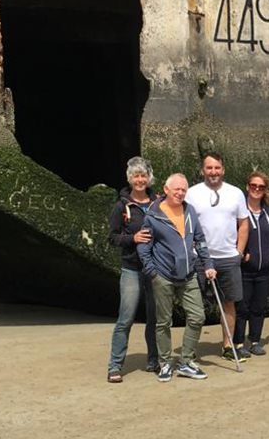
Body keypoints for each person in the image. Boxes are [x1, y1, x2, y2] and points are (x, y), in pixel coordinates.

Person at [138, 173, 216, 382]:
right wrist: (152, 272)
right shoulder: (153, 216)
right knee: (163, 322)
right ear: (166, 189)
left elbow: (199, 240)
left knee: (197, 316)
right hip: (163, 276)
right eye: (177, 189)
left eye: (184, 190)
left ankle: (185, 361)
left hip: (189, 274)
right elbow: (144, 247)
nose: (181, 193)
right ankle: (164, 363)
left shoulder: (189, 211)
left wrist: (208, 264)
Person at [185, 152, 250, 363]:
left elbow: (243, 224)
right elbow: (184, 224)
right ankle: (190, 349)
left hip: (229, 258)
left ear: (223, 169)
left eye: (217, 168)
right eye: (209, 168)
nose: (213, 172)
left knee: (229, 303)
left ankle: (227, 346)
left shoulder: (236, 193)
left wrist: (238, 252)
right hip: (200, 259)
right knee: (194, 305)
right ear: (202, 170)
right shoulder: (192, 194)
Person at [105, 156, 159, 383]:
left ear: (149, 178)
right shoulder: (122, 206)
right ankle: (115, 365)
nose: (140, 180)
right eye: (136, 176)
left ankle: (154, 360)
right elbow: (112, 237)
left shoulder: (159, 202)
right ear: (130, 178)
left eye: (143, 175)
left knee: (155, 319)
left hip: (156, 269)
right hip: (131, 269)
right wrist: (133, 238)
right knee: (125, 318)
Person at [233, 171, 269, 358]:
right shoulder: (239, 211)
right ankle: (238, 343)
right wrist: (242, 253)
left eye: (261, 187)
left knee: (259, 307)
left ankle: (254, 341)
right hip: (244, 269)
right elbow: (231, 233)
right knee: (242, 307)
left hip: (264, 269)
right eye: (253, 185)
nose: (256, 189)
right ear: (247, 187)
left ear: (265, 190)